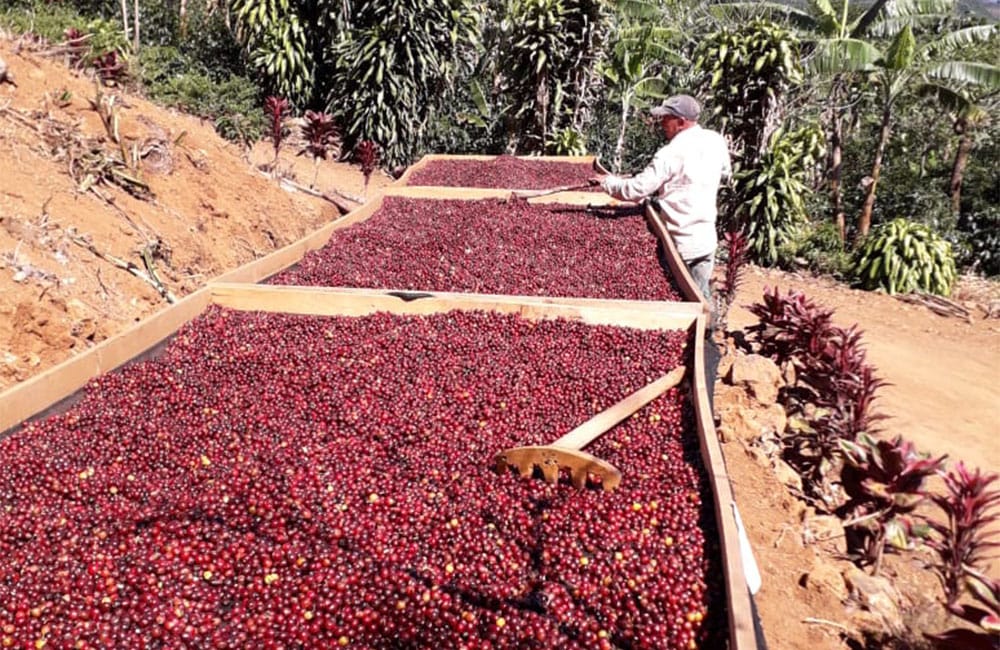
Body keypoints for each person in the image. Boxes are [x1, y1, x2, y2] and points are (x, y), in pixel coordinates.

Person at [591, 94, 731, 303]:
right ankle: (708, 335)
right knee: (702, 297)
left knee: (680, 305)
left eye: (667, 118)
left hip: (679, 244)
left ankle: (701, 333)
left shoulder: (671, 152)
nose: (662, 123)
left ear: (681, 122)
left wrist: (608, 183)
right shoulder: (715, 140)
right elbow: (725, 173)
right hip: (706, 240)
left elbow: (636, 190)